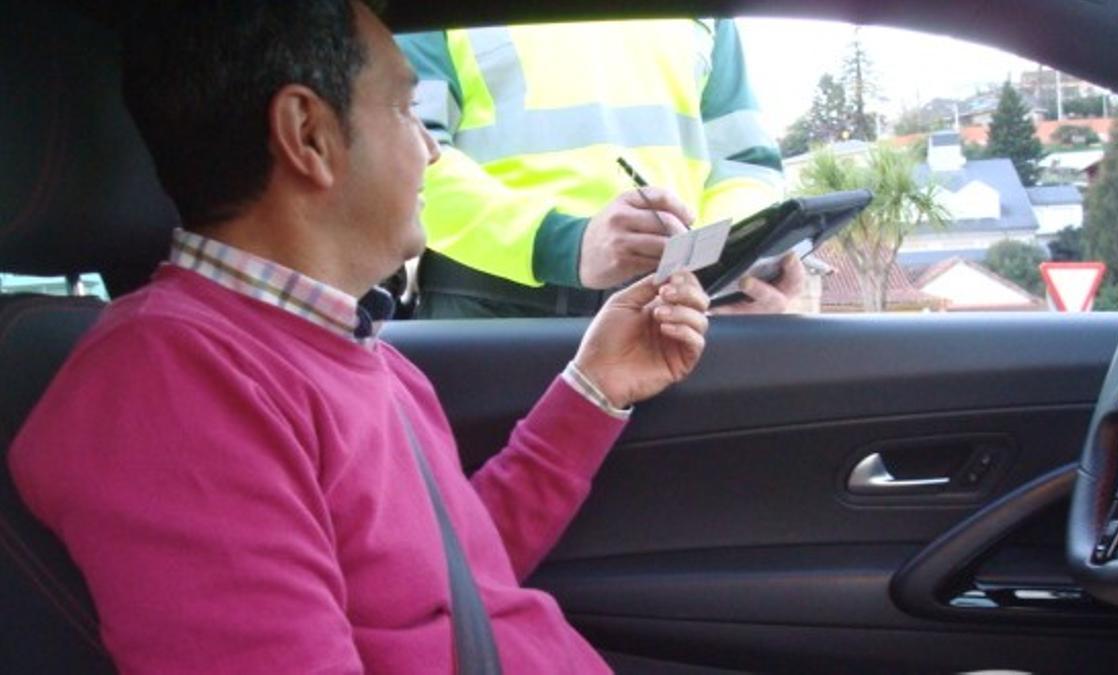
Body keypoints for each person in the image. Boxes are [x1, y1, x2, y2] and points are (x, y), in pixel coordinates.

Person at [8, 2, 710, 673]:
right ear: (309, 135)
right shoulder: (168, 383)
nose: (433, 151)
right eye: (407, 109)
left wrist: (595, 387)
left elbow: (454, 579)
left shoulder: (341, 344)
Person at [398, 19, 807, 319]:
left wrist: (730, 270)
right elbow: (402, 151)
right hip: (490, 313)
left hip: (672, 308)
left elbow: (746, 164)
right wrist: (564, 245)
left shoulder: (712, 16)